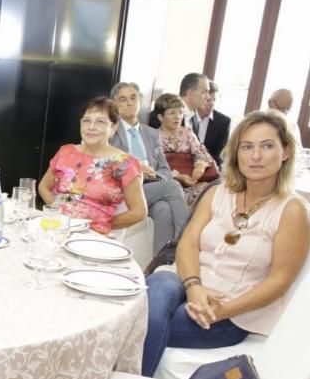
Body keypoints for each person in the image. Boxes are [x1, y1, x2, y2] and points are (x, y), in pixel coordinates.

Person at [141, 110, 310, 377]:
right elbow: (188, 244)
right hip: (185, 280)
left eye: (267, 146)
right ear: (236, 153)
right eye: (247, 147)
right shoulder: (219, 193)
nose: (255, 156)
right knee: (152, 294)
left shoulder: (292, 210)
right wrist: (194, 286)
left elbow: (279, 281)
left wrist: (223, 310)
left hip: (230, 309)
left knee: (138, 323)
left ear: (286, 151)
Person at [38, 96, 147, 235]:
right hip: (57, 227)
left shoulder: (125, 163)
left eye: (100, 121)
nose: (91, 127)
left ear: (113, 127)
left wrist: (102, 224)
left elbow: (139, 212)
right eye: (86, 121)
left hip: (92, 235)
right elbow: (43, 186)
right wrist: (56, 211)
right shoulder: (66, 151)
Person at [110, 82, 189, 254]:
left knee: (163, 209)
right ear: (115, 105)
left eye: (133, 97)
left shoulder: (151, 133)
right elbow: (106, 165)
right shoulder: (111, 131)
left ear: (140, 100)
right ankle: (188, 241)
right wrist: (134, 169)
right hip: (127, 188)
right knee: (174, 186)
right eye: (123, 100)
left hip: (153, 186)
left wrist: (156, 176)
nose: (130, 103)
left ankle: (162, 261)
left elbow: (165, 170)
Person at [154, 93, 219, 206]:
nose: (178, 116)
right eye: (172, 113)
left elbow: (200, 152)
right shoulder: (153, 136)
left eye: (180, 112)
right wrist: (178, 176)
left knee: (210, 190)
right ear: (160, 117)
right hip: (169, 183)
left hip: (194, 180)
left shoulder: (187, 132)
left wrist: (200, 166)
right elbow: (154, 167)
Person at [198, 80, 230, 160]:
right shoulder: (185, 117)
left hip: (210, 167)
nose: (212, 104)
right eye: (208, 100)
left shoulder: (223, 122)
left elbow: (220, 155)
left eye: (214, 100)